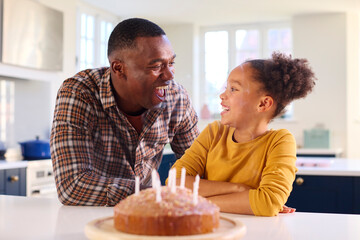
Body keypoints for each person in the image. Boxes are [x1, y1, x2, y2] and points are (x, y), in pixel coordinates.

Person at [50, 18, 199, 206]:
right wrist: (156, 194)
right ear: (119, 68)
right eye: (156, 66)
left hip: (149, 214)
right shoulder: (79, 92)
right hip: (90, 217)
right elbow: (72, 187)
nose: (169, 75)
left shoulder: (177, 98)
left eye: (171, 63)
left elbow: (200, 168)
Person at [171, 52, 316, 216]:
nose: (222, 95)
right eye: (226, 88)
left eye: (233, 89)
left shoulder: (280, 141)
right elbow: (175, 184)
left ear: (263, 103)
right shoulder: (213, 133)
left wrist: (197, 201)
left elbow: (268, 203)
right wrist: (239, 190)